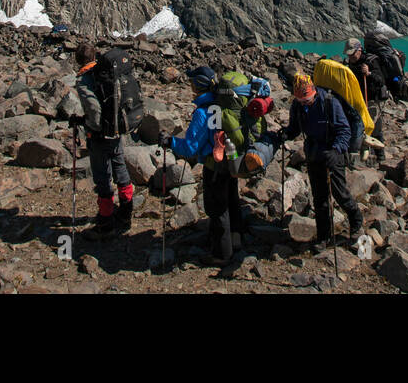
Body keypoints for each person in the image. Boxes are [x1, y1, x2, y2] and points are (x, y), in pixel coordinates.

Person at [161, 66, 260, 264]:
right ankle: (236, 238)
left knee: (217, 208)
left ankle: (221, 254)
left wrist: (170, 142)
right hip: (231, 161)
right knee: (232, 200)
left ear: (198, 86)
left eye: (192, 84)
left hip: (214, 166)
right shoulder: (223, 105)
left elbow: (190, 148)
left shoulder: (203, 112)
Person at [278, 73, 363, 244]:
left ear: (314, 91)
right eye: (301, 100)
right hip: (313, 153)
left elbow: (344, 130)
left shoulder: (329, 102)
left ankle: (357, 221)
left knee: (340, 192)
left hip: (332, 153)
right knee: (320, 197)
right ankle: (324, 236)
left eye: (307, 99)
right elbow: (295, 128)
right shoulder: (297, 105)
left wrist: (336, 150)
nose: (304, 102)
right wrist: (287, 133)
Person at [73, 42, 137, 235]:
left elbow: (93, 108)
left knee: (102, 175)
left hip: (100, 134)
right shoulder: (109, 72)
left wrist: (91, 125)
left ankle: (106, 219)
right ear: (94, 57)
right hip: (117, 128)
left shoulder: (84, 79)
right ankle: (126, 212)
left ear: (78, 60)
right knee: (120, 166)